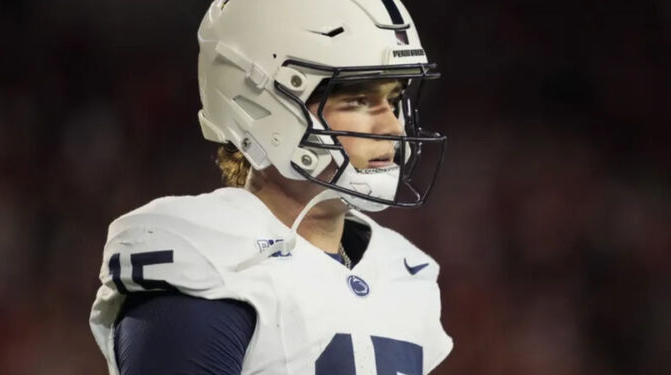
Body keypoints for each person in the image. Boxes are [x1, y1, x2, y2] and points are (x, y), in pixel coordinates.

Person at [89, 0, 452, 373]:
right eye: (358, 100)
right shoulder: (209, 261)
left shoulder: (400, 273)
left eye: (394, 100)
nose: (393, 128)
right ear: (262, 105)